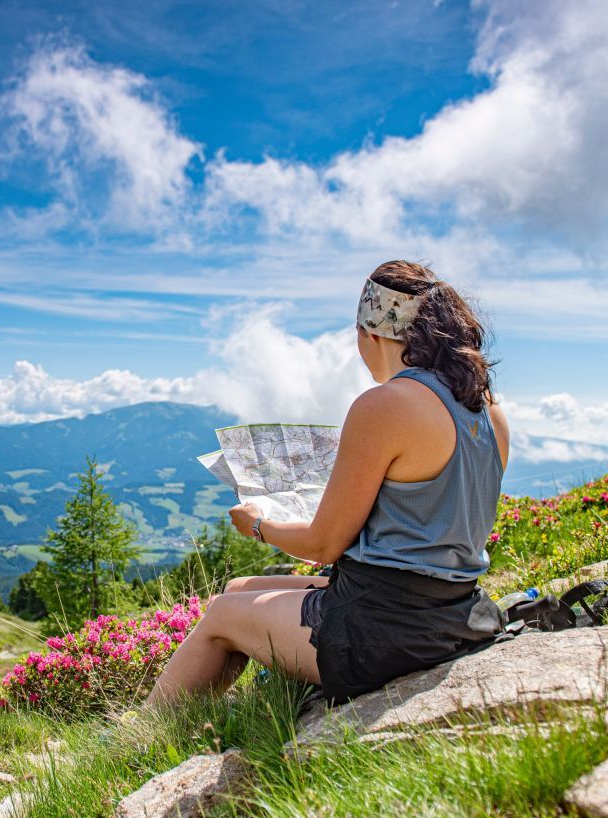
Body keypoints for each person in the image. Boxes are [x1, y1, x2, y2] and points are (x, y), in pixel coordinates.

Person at [144, 260, 510, 709]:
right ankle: (201, 716)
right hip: (458, 610)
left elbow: (324, 545)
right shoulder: (489, 411)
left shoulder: (386, 405)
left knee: (222, 615)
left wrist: (260, 525)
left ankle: (144, 735)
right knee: (239, 590)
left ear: (369, 334)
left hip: (385, 629)